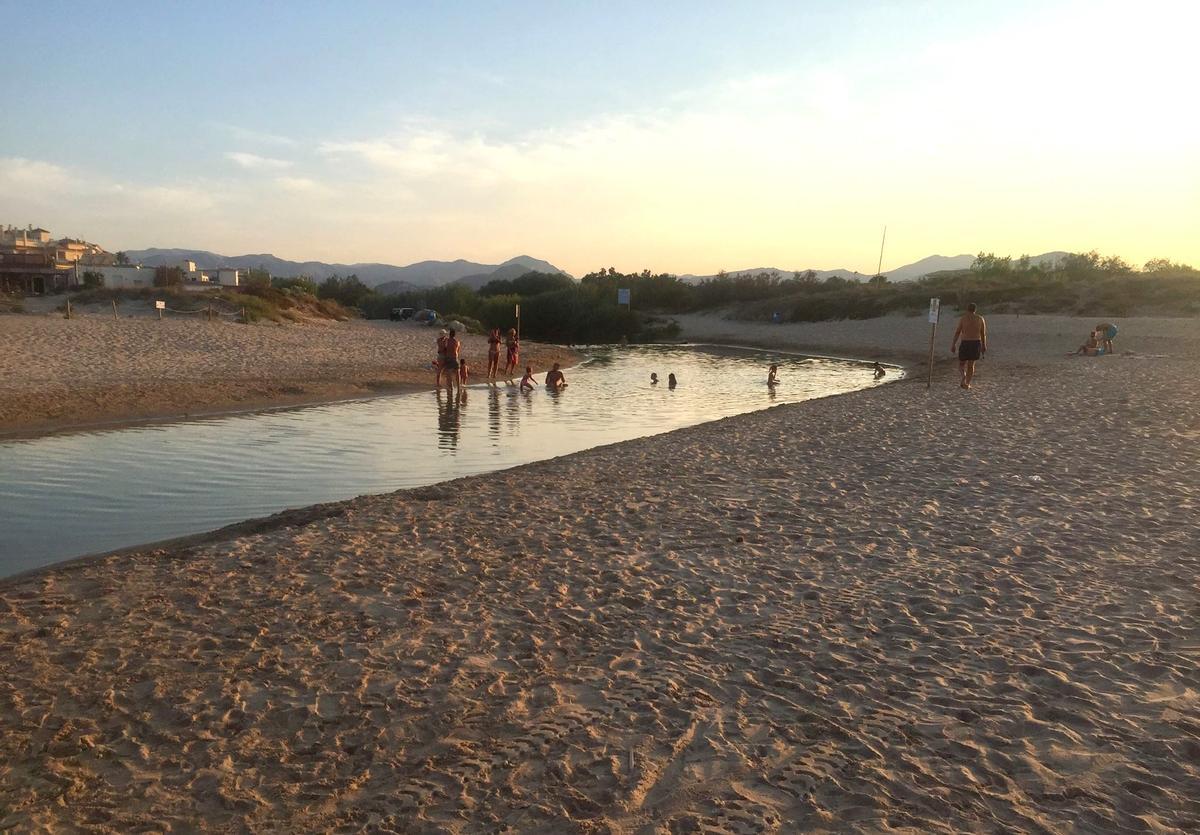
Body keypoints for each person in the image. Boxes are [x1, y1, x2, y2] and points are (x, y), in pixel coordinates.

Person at [950, 303, 987, 389]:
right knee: (971, 365)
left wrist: (953, 344)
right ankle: (967, 383)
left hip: (965, 342)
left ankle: (963, 376)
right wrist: (984, 345)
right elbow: (983, 334)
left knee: (961, 364)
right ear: (975, 310)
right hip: (975, 343)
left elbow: (957, 332)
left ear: (967, 309)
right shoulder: (980, 319)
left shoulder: (963, 319)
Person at [442, 328, 461, 393]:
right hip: (455, 358)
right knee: (457, 374)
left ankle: (451, 388)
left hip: (449, 358)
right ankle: (458, 388)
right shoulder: (457, 342)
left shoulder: (447, 341)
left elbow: (444, 349)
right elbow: (458, 351)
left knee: (449, 374)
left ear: (449, 334)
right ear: (455, 335)